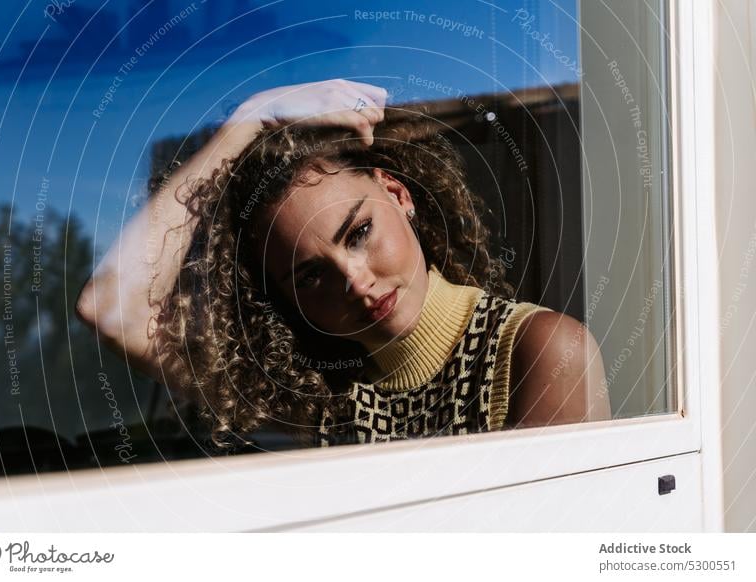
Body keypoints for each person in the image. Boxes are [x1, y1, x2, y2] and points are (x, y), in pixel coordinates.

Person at [76, 78, 611, 452]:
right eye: (310, 275)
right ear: (287, 298)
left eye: (358, 232)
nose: (354, 281)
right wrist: (250, 119)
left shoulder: (535, 349)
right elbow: (110, 307)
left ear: (397, 193)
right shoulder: (308, 389)